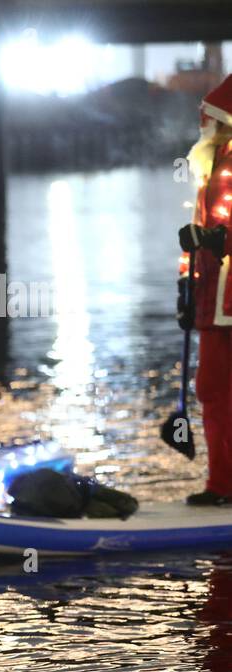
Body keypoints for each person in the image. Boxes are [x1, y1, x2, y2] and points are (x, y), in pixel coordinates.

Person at [180, 74, 232, 506]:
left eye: (212, 116)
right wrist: (184, 285)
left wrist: (219, 241)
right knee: (211, 389)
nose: (205, 124)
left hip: (228, 298)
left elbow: (215, 232)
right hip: (212, 300)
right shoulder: (208, 165)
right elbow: (196, 232)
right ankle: (221, 484)